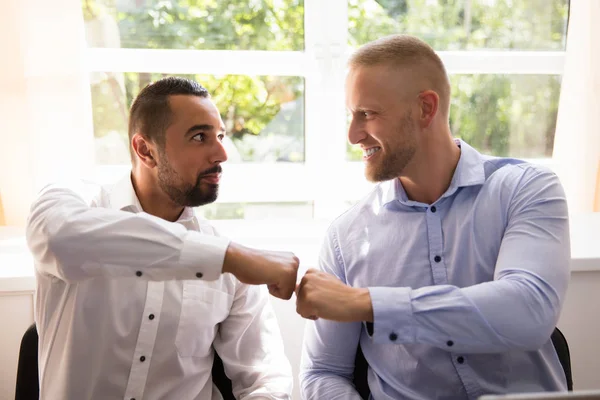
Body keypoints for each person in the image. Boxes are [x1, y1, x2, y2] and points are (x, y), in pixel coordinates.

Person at [296, 34, 571, 399]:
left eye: (368, 114)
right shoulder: (345, 237)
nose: (353, 134)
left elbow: (529, 309)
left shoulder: (526, 189)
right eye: (351, 115)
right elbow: (322, 372)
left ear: (425, 108)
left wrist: (368, 304)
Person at [26, 77, 297, 400]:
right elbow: (60, 240)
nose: (222, 153)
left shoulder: (230, 261)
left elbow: (265, 376)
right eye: (200, 137)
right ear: (145, 150)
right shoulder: (71, 204)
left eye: (220, 136)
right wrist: (228, 258)